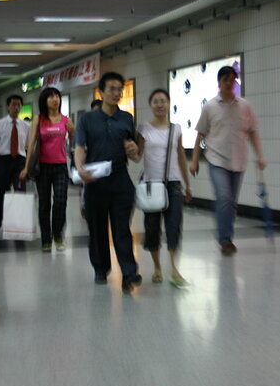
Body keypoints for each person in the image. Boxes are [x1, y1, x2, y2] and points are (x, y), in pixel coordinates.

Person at [75, 72, 142, 293]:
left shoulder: (126, 119)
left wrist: (134, 151)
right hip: (95, 182)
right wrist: (80, 168)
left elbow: (134, 152)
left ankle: (129, 273)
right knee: (98, 229)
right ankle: (101, 268)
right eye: (111, 89)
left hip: (121, 180)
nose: (116, 93)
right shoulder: (86, 120)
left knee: (122, 229)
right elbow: (80, 147)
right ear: (101, 92)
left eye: (119, 89)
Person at [189, 66, 266, 255]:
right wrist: (195, 160)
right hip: (216, 160)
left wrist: (260, 156)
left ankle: (227, 236)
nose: (230, 84)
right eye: (226, 80)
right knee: (224, 197)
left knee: (231, 202)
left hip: (239, 160)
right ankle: (225, 240)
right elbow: (200, 135)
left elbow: (253, 132)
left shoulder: (244, 106)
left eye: (233, 80)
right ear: (219, 83)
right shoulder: (210, 106)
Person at [137, 89, 192, 287]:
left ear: (168, 104)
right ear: (150, 105)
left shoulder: (176, 129)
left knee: (174, 227)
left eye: (163, 101)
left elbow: (180, 157)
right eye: (155, 101)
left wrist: (188, 184)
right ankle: (157, 267)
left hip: (174, 184)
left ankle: (175, 270)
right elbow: (137, 156)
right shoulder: (144, 129)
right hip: (152, 184)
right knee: (152, 229)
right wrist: (129, 149)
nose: (160, 105)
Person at [21, 87, 74, 251]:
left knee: (60, 201)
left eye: (57, 96)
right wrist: (26, 167)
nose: (54, 99)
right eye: (50, 97)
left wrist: (80, 161)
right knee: (44, 204)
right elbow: (32, 144)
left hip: (60, 167)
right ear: (44, 101)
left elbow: (75, 143)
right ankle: (46, 239)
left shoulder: (67, 120)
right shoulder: (38, 119)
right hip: (42, 167)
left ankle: (57, 234)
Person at [0, 95, 30, 232]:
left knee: (20, 191)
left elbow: (28, 148)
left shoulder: (25, 126)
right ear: (8, 106)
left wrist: (27, 166)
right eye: (14, 105)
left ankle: (17, 222)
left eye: (19, 105)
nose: (16, 107)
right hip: (4, 161)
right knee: (3, 192)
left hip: (19, 161)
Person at [80, 98, 104, 219]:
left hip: (104, 164)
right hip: (90, 162)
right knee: (88, 186)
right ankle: (85, 206)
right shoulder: (86, 125)